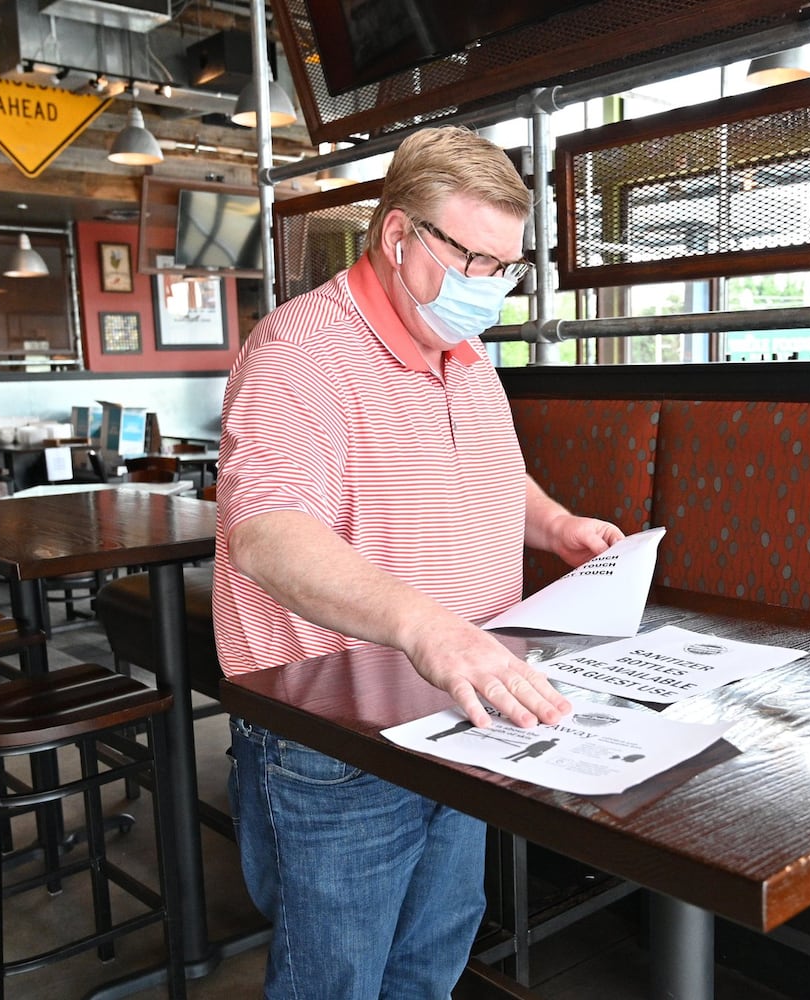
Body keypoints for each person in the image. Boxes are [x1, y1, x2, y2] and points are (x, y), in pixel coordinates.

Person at [213, 125, 625, 1000]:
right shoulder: (299, 353)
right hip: (339, 741)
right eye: (471, 260)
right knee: (336, 984)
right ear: (397, 235)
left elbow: (489, 468)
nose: (489, 288)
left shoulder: (462, 352)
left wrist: (555, 524)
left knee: (431, 963)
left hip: (461, 708)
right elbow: (268, 532)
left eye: (505, 268)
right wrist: (426, 627)